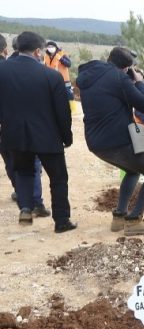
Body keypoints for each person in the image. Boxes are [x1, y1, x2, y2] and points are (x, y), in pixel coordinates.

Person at [77, 47, 144, 235]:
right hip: (119, 140)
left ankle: (119, 217)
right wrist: (139, 83)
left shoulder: (90, 76)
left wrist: (127, 83)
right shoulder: (119, 78)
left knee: (132, 171)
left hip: (96, 141)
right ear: (126, 67)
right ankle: (134, 220)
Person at [0, 31, 76, 232]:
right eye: (41, 51)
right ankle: (61, 221)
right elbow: (63, 112)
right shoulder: (51, 75)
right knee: (58, 178)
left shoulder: (2, 70)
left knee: (23, 171)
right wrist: (66, 137)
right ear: (36, 51)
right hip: (48, 137)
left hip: (14, 134)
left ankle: (26, 207)